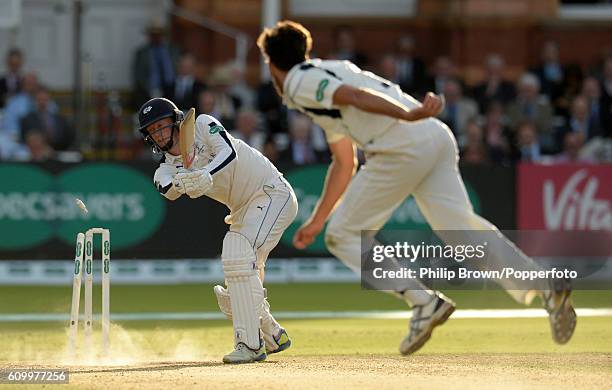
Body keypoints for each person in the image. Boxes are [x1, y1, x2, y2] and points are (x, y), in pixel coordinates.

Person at [257, 20, 576, 355]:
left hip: (401, 144)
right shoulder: (326, 74)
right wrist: (318, 220)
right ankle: (544, 285)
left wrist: (406, 116)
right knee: (462, 231)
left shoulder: (298, 81)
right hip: (433, 136)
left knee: (342, 236)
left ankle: (422, 302)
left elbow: (354, 96)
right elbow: (344, 161)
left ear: (273, 62)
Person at [137, 98, 298, 364]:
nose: (160, 134)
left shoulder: (202, 124)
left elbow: (228, 152)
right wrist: (182, 180)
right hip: (242, 210)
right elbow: (167, 189)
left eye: (163, 126)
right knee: (236, 287)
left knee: (235, 252)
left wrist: (205, 174)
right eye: (153, 131)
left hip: (271, 192)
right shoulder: (165, 167)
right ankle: (271, 334)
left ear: (176, 122)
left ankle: (249, 345)